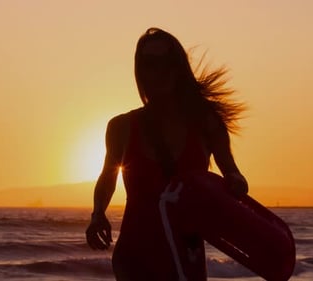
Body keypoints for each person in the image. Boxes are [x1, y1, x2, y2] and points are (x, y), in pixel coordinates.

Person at [85, 27, 248, 281]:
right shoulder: (122, 127)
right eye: (149, 64)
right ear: (140, 71)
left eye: (166, 63)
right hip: (135, 258)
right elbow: (108, 178)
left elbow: (232, 172)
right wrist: (97, 215)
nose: (158, 72)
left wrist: (236, 185)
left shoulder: (206, 123)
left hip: (185, 258)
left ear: (178, 69)